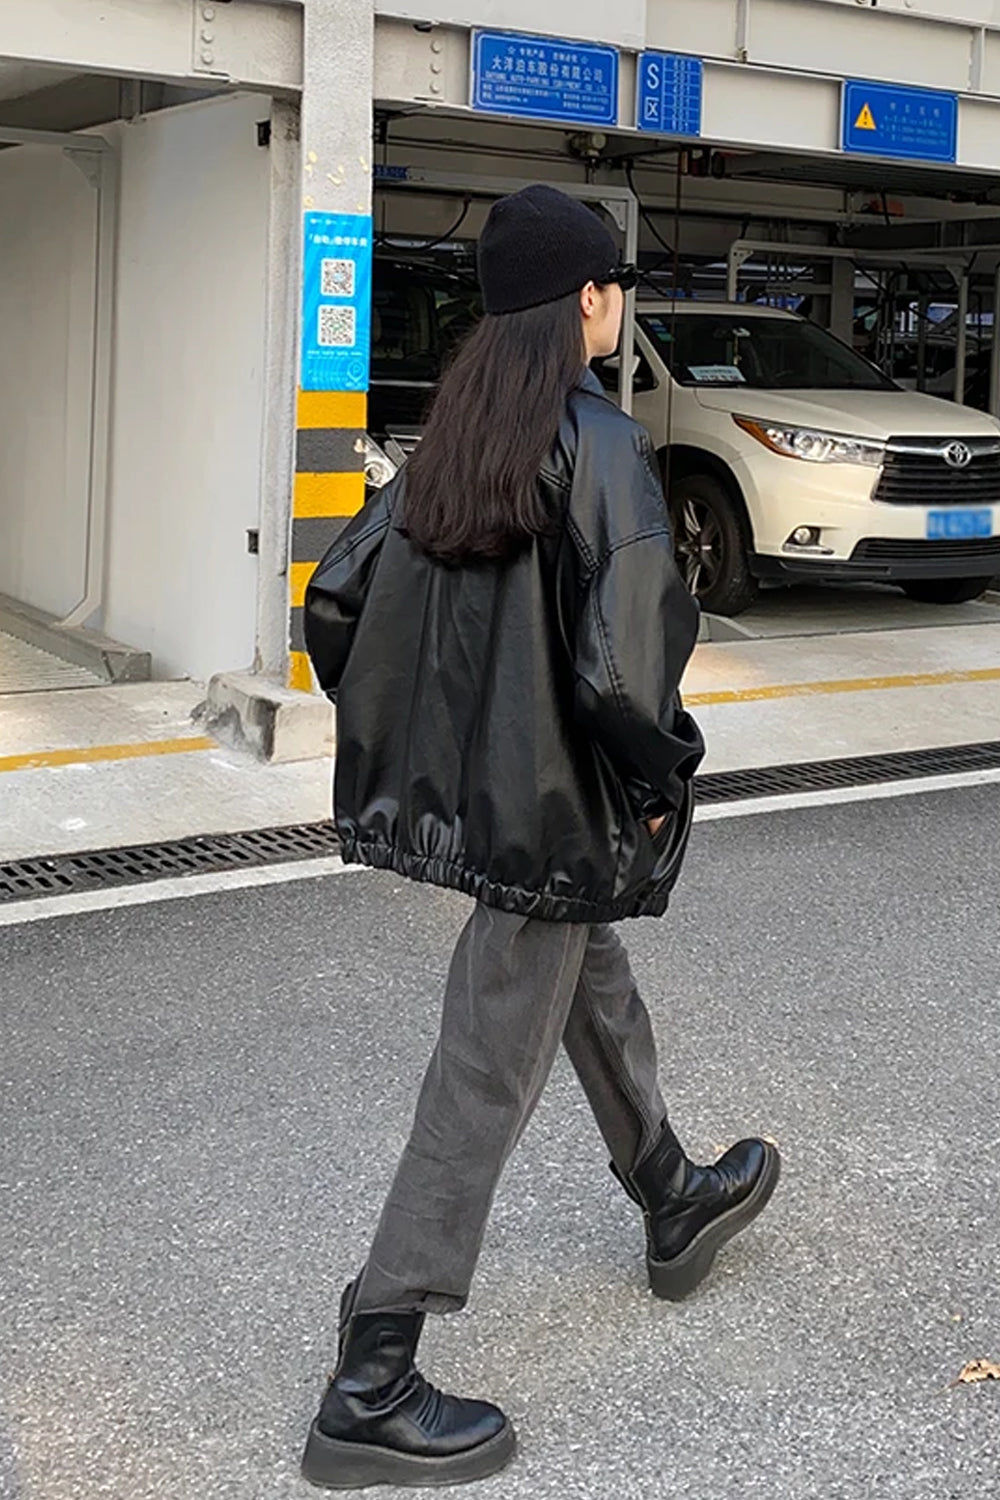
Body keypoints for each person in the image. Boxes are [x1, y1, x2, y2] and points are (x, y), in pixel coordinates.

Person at [301, 184, 780, 1491]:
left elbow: (337, 611)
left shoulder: (452, 446)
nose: (616, 305)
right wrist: (668, 774)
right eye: (613, 286)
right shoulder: (602, 445)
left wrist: (443, 734)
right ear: (587, 300)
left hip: (505, 806)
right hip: (558, 807)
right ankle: (372, 1370)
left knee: (589, 978)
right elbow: (628, 675)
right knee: (484, 1065)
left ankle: (672, 1191)